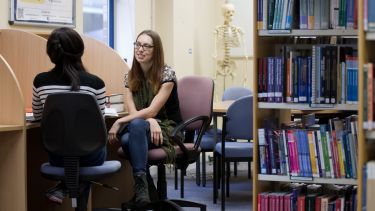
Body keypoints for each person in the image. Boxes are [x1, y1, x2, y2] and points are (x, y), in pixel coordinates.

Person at [32, 27, 107, 209]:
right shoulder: (96, 83)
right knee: (91, 145)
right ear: (80, 51)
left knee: (74, 152)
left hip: (57, 156)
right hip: (91, 157)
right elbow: (99, 125)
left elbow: (38, 116)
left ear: (51, 53)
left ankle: (63, 187)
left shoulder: (40, 82)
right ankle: (72, 193)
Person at [108, 29, 182, 206]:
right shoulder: (130, 76)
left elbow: (152, 111)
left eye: (146, 46)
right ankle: (146, 186)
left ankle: (144, 187)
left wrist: (119, 121)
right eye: (138, 44)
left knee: (128, 138)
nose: (140, 49)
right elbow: (135, 115)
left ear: (156, 51)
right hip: (142, 127)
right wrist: (147, 120)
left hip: (168, 127)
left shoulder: (167, 75)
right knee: (133, 131)